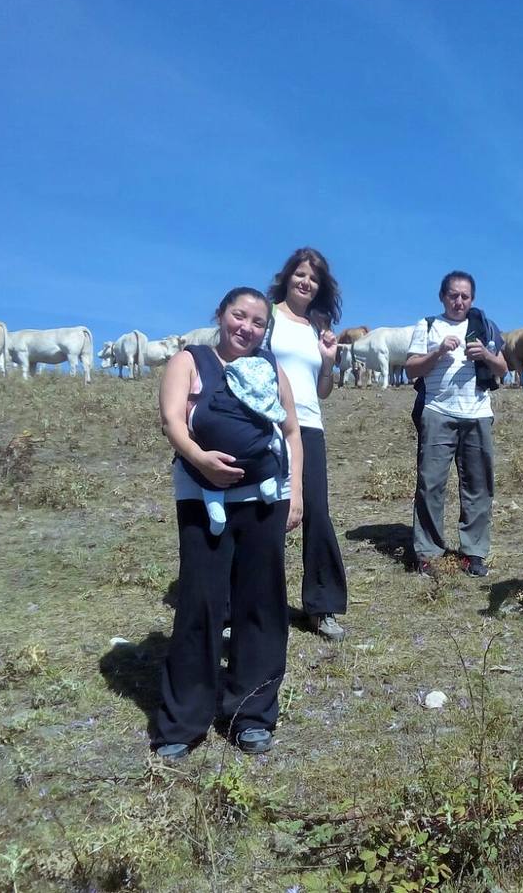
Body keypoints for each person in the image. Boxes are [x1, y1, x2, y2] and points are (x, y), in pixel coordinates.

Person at [153, 287, 304, 759]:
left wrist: (295, 491)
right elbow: (171, 420)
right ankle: (182, 722)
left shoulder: (272, 370)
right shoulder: (190, 360)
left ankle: (252, 715)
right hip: (202, 495)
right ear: (221, 316)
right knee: (201, 600)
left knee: (261, 601)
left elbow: (292, 430)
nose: (247, 328)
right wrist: (202, 459)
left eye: (258, 322)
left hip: (265, 499)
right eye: (239, 316)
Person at [263, 247, 350, 642]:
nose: (306, 282)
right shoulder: (266, 316)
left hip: (310, 428)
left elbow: (323, 392)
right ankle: (257, 602)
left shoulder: (317, 328)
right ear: (287, 276)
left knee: (317, 512)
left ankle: (321, 607)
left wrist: (328, 361)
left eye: (314, 278)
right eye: (300, 274)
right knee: (263, 512)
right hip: (266, 424)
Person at [405, 270, 507, 578]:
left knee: (478, 485)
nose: (459, 301)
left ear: (472, 299)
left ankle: (473, 553)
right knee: (431, 484)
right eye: (453, 295)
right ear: (442, 296)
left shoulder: (484, 327)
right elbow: (411, 369)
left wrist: (487, 354)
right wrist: (438, 351)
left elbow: (503, 368)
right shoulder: (428, 325)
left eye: (464, 296)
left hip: (477, 413)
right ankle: (429, 553)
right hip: (437, 411)